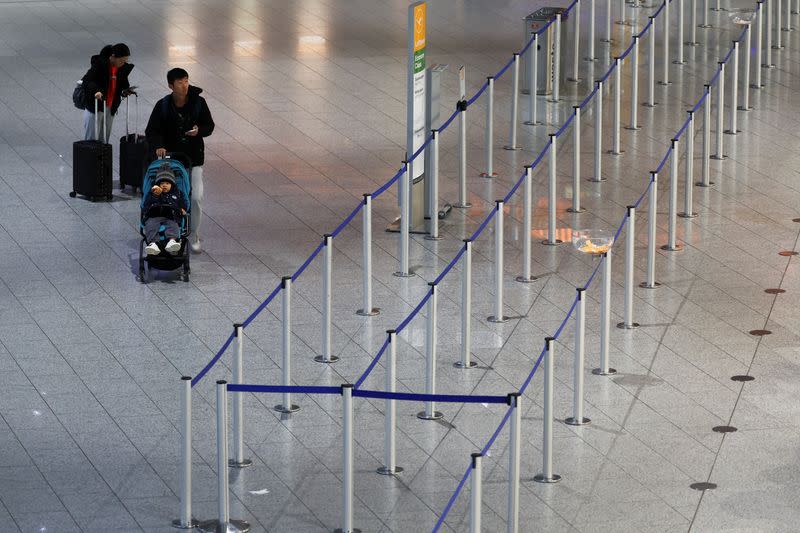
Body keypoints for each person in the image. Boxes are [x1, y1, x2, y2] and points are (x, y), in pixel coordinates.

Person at [145, 68, 214, 253]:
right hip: (170, 161)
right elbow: (152, 130)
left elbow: (210, 126)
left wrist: (199, 130)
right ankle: (170, 231)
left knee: (196, 196)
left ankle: (195, 234)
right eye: (180, 82)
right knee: (167, 195)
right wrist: (159, 145)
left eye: (186, 81)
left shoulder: (199, 103)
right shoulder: (163, 105)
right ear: (170, 85)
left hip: (194, 158)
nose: (185, 85)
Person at [80, 43, 133, 141]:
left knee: (104, 139)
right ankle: (91, 156)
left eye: (125, 61)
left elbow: (123, 84)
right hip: (96, 106)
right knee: (92, 139)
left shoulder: (121, 69)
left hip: (110, 107)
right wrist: (96, 91)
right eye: (121, 60)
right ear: (113, 57)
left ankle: (103, 156)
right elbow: (87, 81)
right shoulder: (100, 65)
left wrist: (125, 90)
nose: (123, 63)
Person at [143, 164, 189, 256]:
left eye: (167, 183)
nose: (164, 185)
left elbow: (183, 204)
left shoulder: (178, 193)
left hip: (171, 215)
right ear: (157, 184)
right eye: (162, 183)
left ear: (172, 184)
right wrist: (155, 196)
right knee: (151, 224)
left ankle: (172, 241)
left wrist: (182, 209)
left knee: (173, 225)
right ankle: (153, 243)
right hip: (155, 215)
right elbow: (146, 205)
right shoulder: (152, 193)